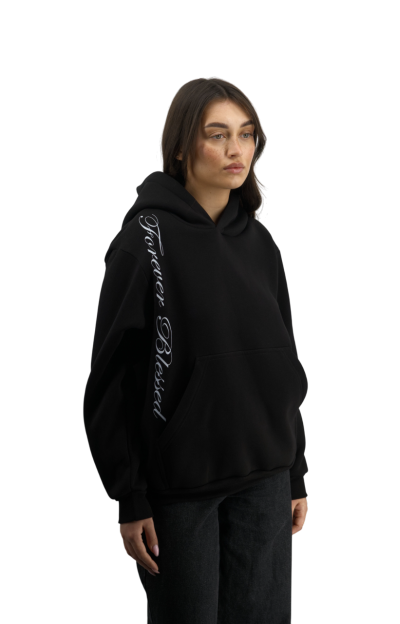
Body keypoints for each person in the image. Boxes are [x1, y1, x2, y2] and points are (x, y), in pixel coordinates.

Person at [84, 76, 309, 624]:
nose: (237, 150)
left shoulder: (259, 241)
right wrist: (130, 494)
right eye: (218, 134)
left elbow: (282, 361)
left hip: (266, 478)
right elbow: (113, 379)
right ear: (183, 146)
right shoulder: (144, 242)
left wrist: (295, 471)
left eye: (246, 134)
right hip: (180, 488)